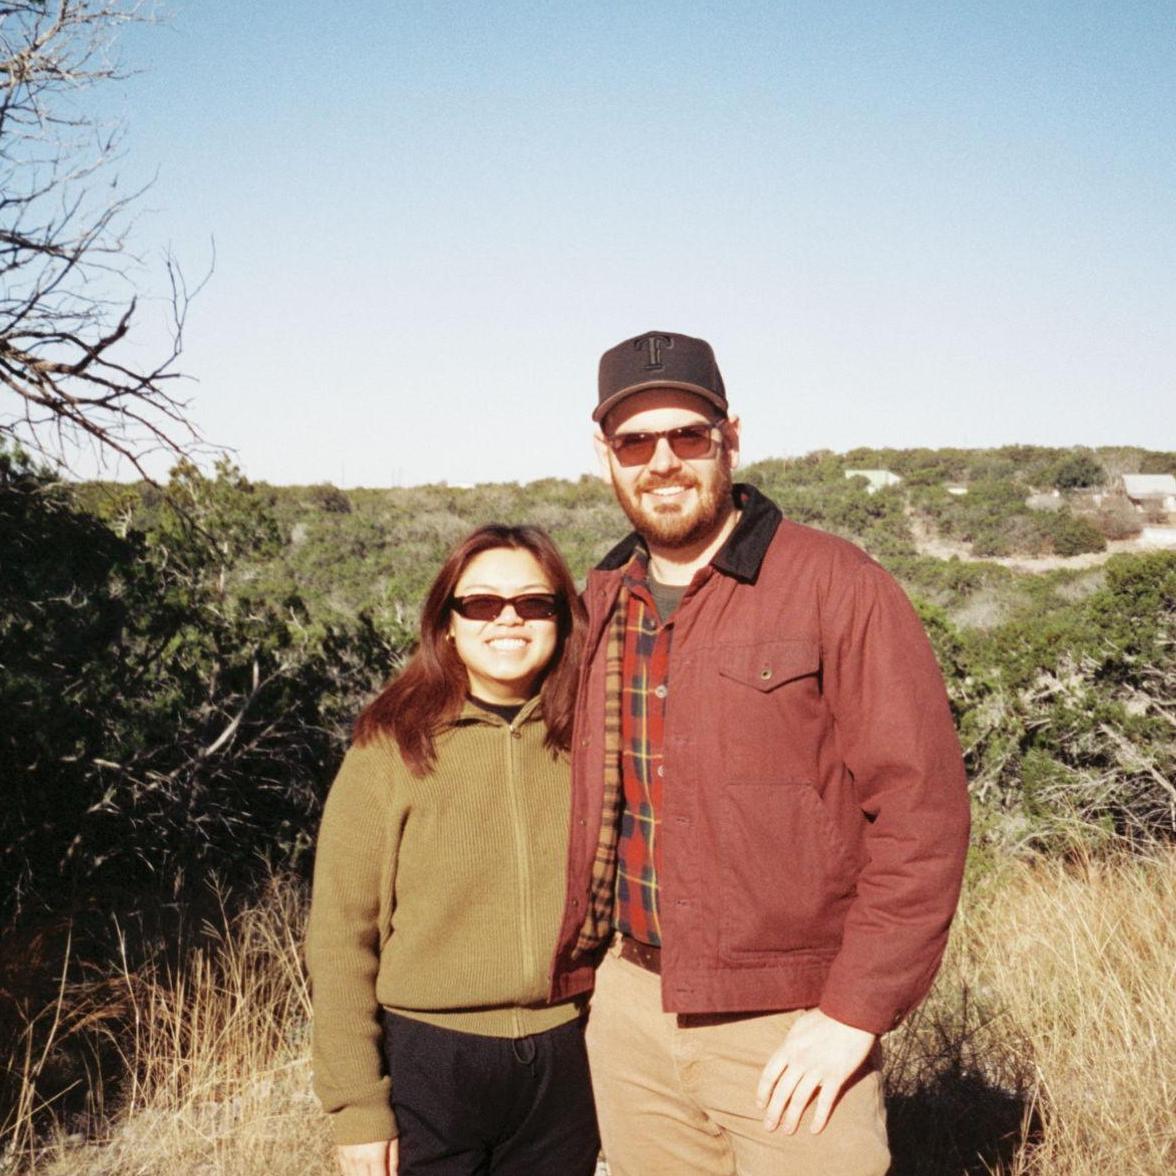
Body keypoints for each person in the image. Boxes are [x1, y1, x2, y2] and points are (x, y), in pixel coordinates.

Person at [545, 331, 971, 1176]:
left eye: (688, 435)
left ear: (730, 437)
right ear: (605, 456)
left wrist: (853, 1014)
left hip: (789, 1022)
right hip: (630, 1012)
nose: (663, 461)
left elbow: (921, 813)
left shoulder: (836, 584)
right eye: (635, 442)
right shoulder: (600, 602)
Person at [307, 524, 600, 1176]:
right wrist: (357, 1106)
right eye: (481, 603)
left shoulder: (590, 739)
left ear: (561, 621)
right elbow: (341, 935)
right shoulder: (391, 745)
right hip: (429, 1061)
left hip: (568, 1056)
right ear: (447, 624)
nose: (508, 619)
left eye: (533, 603)